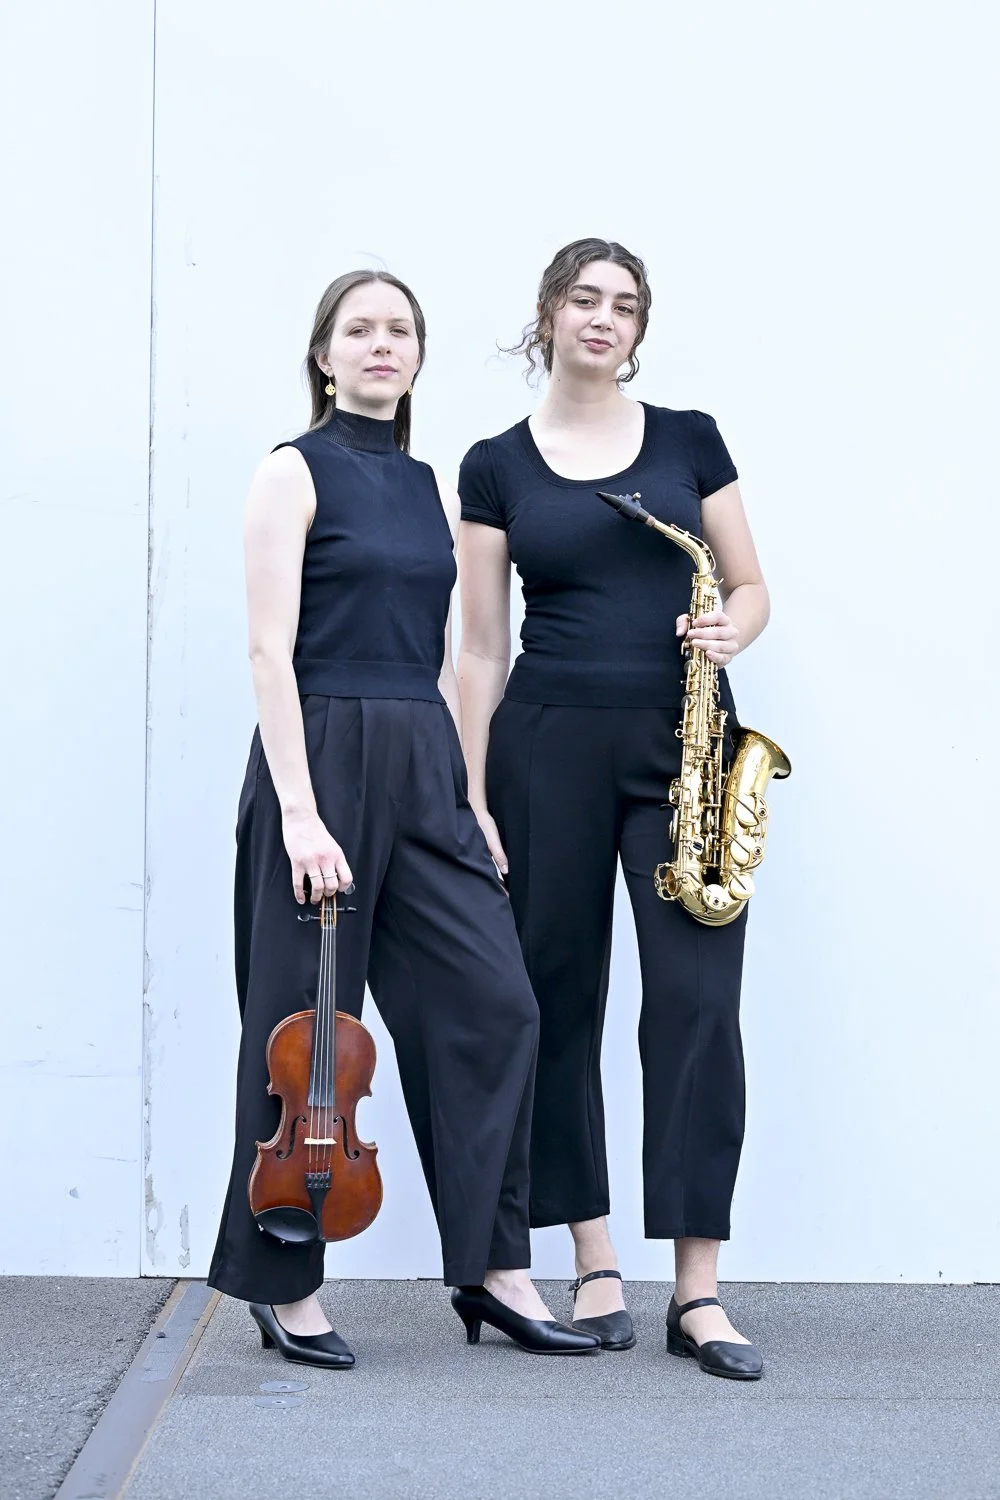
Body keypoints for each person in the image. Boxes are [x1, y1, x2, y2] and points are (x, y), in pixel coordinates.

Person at [207, 269, 600, 1367]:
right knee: (300, 1033)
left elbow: (449, 651)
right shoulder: (291, 470)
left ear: (418, 355)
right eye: (359, 329)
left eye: (400, 330)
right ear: (324, 354)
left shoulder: (429, 483)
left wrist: (467, 799)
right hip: (321, 752)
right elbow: (267, 652)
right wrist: (299, 813)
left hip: (422, 757)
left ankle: (494, 1268)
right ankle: (282, 1280)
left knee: (496, 1005)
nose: (381, 344)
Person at [456, 238, 770, 1380]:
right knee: (556, 998)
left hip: (686, 745)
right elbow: (480, 647)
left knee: (697, 1005)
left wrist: (733, 628)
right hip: (546, 750)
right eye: (584, 299)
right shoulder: (493, 464)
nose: (603, 318)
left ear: (640, 328)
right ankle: (592, 1258)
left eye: (624, 305)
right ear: (547, 312)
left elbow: (751, 585)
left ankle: (698, 1290)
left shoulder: (690, 438)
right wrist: (472, 791)